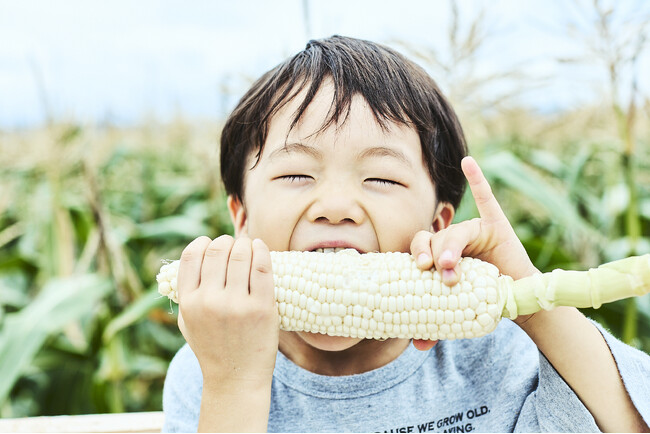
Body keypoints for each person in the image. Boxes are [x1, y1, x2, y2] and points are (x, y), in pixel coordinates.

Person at [161, 35, 650, 432]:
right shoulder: (211, 363)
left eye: (381, 179)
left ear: (438, 224)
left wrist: (528, 293)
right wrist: (235, 384)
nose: (335, 208)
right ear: (240, 217)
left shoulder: (491, 349)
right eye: (295, 175)